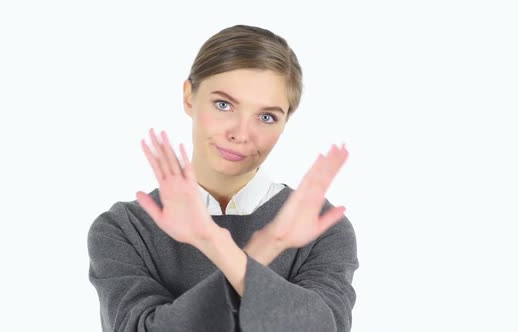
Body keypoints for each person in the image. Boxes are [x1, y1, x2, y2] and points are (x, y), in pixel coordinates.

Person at [87, 24, 358, 332]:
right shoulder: (124, 228)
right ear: (189, 97)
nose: (240, 134)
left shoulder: (319, 226)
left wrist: (213, 241)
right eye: (223, 104)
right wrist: (267, 246)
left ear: (285, 123)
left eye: (266, 116)